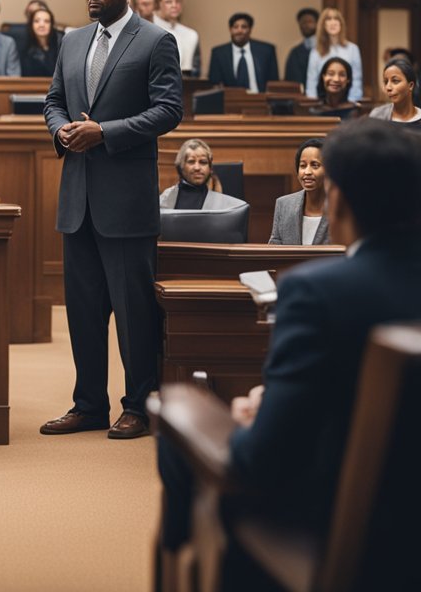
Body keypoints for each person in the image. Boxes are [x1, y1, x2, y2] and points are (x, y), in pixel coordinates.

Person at [158, 119, 421, 563]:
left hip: (337, 533)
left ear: (338, 200)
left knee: (177, 422)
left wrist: (255, 416)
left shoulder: (315, 293)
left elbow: (263, 457)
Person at [41, 0, 183, 440]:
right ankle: (89, 404)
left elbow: (169, 110)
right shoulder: (73, 40)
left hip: (125, 203)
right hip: (77, 200)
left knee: (132, 313)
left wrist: (106, 132)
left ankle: (139, 405)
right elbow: (53, 101)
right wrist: (63, 131)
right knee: (82, 313)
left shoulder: (155, 40)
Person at [269, 137, 329, 245]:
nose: (307, 172)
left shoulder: (341, 207)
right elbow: (273, 252)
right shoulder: (284, 205)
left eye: (315, 165)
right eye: (303, 166)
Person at [158, 138, 245, 210]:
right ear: (181, 166)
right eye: (191, 162)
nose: (197, 168)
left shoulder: (224, 203)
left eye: (203, 162)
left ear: (210, 168)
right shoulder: (165, 199)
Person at [207, 12, 278, 92]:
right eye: (235, 27)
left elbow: (274, 82)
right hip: (230, 101)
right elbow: (214, 83)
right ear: (230, 30)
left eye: (244, 27)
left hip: (260, 99)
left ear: (250, 30)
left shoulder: (267, 51)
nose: (239, 30)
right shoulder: (218, 54)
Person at [305, 7, 364, 100]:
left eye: (336, 19)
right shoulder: (315, 52)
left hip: (347, 103)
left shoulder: (353, 49)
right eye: (328, 19)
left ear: (341, 24)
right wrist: (313, 106)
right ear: (323, 25)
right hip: (322, 104)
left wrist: (351, 103)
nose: (333, 22)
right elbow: (312, 83)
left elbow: (356, 81)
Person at [152, 0, 200, 77]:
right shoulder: (151, 30)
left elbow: (196, 69)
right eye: (168, 2)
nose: (174, 5)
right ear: (159, 4)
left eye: (177, 1)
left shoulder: (191, 34)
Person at [368, 56, 420, 128]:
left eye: (395, 81)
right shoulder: (377, 115)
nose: (388, 87)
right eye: (386, 82)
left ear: (410, 85)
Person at [18, 6, 62, 77]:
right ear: (31, 25)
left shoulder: (61, 44)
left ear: (51, 25)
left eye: (46, 21)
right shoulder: (23, 46)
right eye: (37, 21)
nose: (41, 25)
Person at [283, 7, 318, 91]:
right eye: (303, 22)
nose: (306, 25)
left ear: (317, 23)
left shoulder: (327, 49)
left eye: (310, 21)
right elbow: (290, 80)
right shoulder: (295, 53)